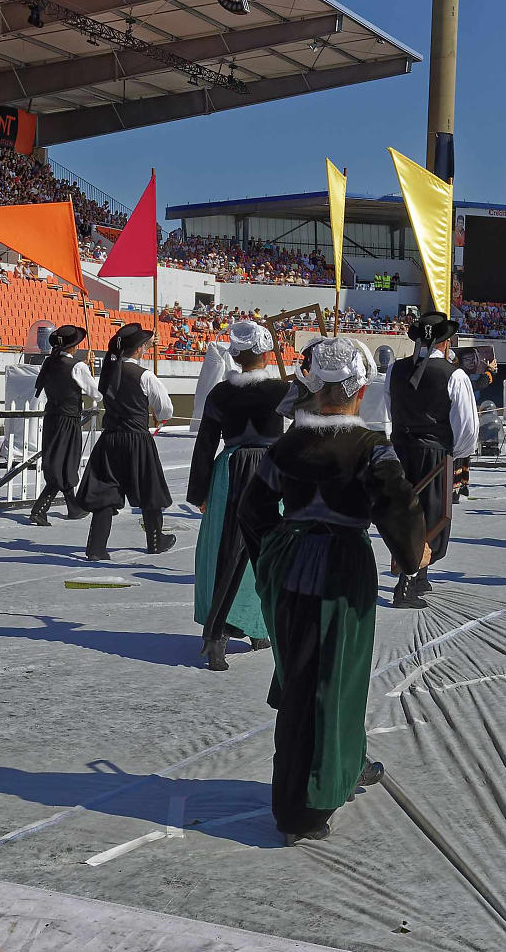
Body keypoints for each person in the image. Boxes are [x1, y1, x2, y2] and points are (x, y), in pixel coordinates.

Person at [237, 338, 427, 843]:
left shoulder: (288, 445)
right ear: (359, 390)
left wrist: (272, 559)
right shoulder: (370, 448)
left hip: (293, 567)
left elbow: (253, 512)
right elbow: (399, 505)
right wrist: (412, 556)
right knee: (335, 681)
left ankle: (336, 770)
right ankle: (309, 807)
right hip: (342, 570)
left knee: (302, 677)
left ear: (316, 388)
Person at [188, 320, 288, 670]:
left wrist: (199, 492)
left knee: (224, 551)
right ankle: (260, 625)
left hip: (227, 472)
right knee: (267, 551)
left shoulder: (219, 393)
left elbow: (204, 445)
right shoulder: (281, 391)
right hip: (269, 472)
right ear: (264, 352)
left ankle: (220, 634)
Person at [386, 311, 478, 608]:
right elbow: (467, 426)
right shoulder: (455, 375)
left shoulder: (394, 369)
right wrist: (455, 454)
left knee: (405, 513)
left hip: (401, 449)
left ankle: (420, 574)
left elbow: (391, 410)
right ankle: (406, 584)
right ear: (446, 342)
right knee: (429, 517)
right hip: (434, 452)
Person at [77, 322, 176, 560]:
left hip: (110, 438)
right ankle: (155, 540)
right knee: (149, 489)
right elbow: (166, 409)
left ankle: (96, 547)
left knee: (105, 491)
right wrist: (156, 415)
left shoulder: (109, 372)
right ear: (140, 349)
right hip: (137, 439)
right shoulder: (145, 375)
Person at [26, 324, 96, 527]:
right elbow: (96, 393)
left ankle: (73, 507)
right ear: (73, 346)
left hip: (52, 418)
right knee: (64, 463)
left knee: (61, 462)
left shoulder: (50, 362)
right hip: (68, 419)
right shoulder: (77, 367)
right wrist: (87, 370)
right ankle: (39, 509)